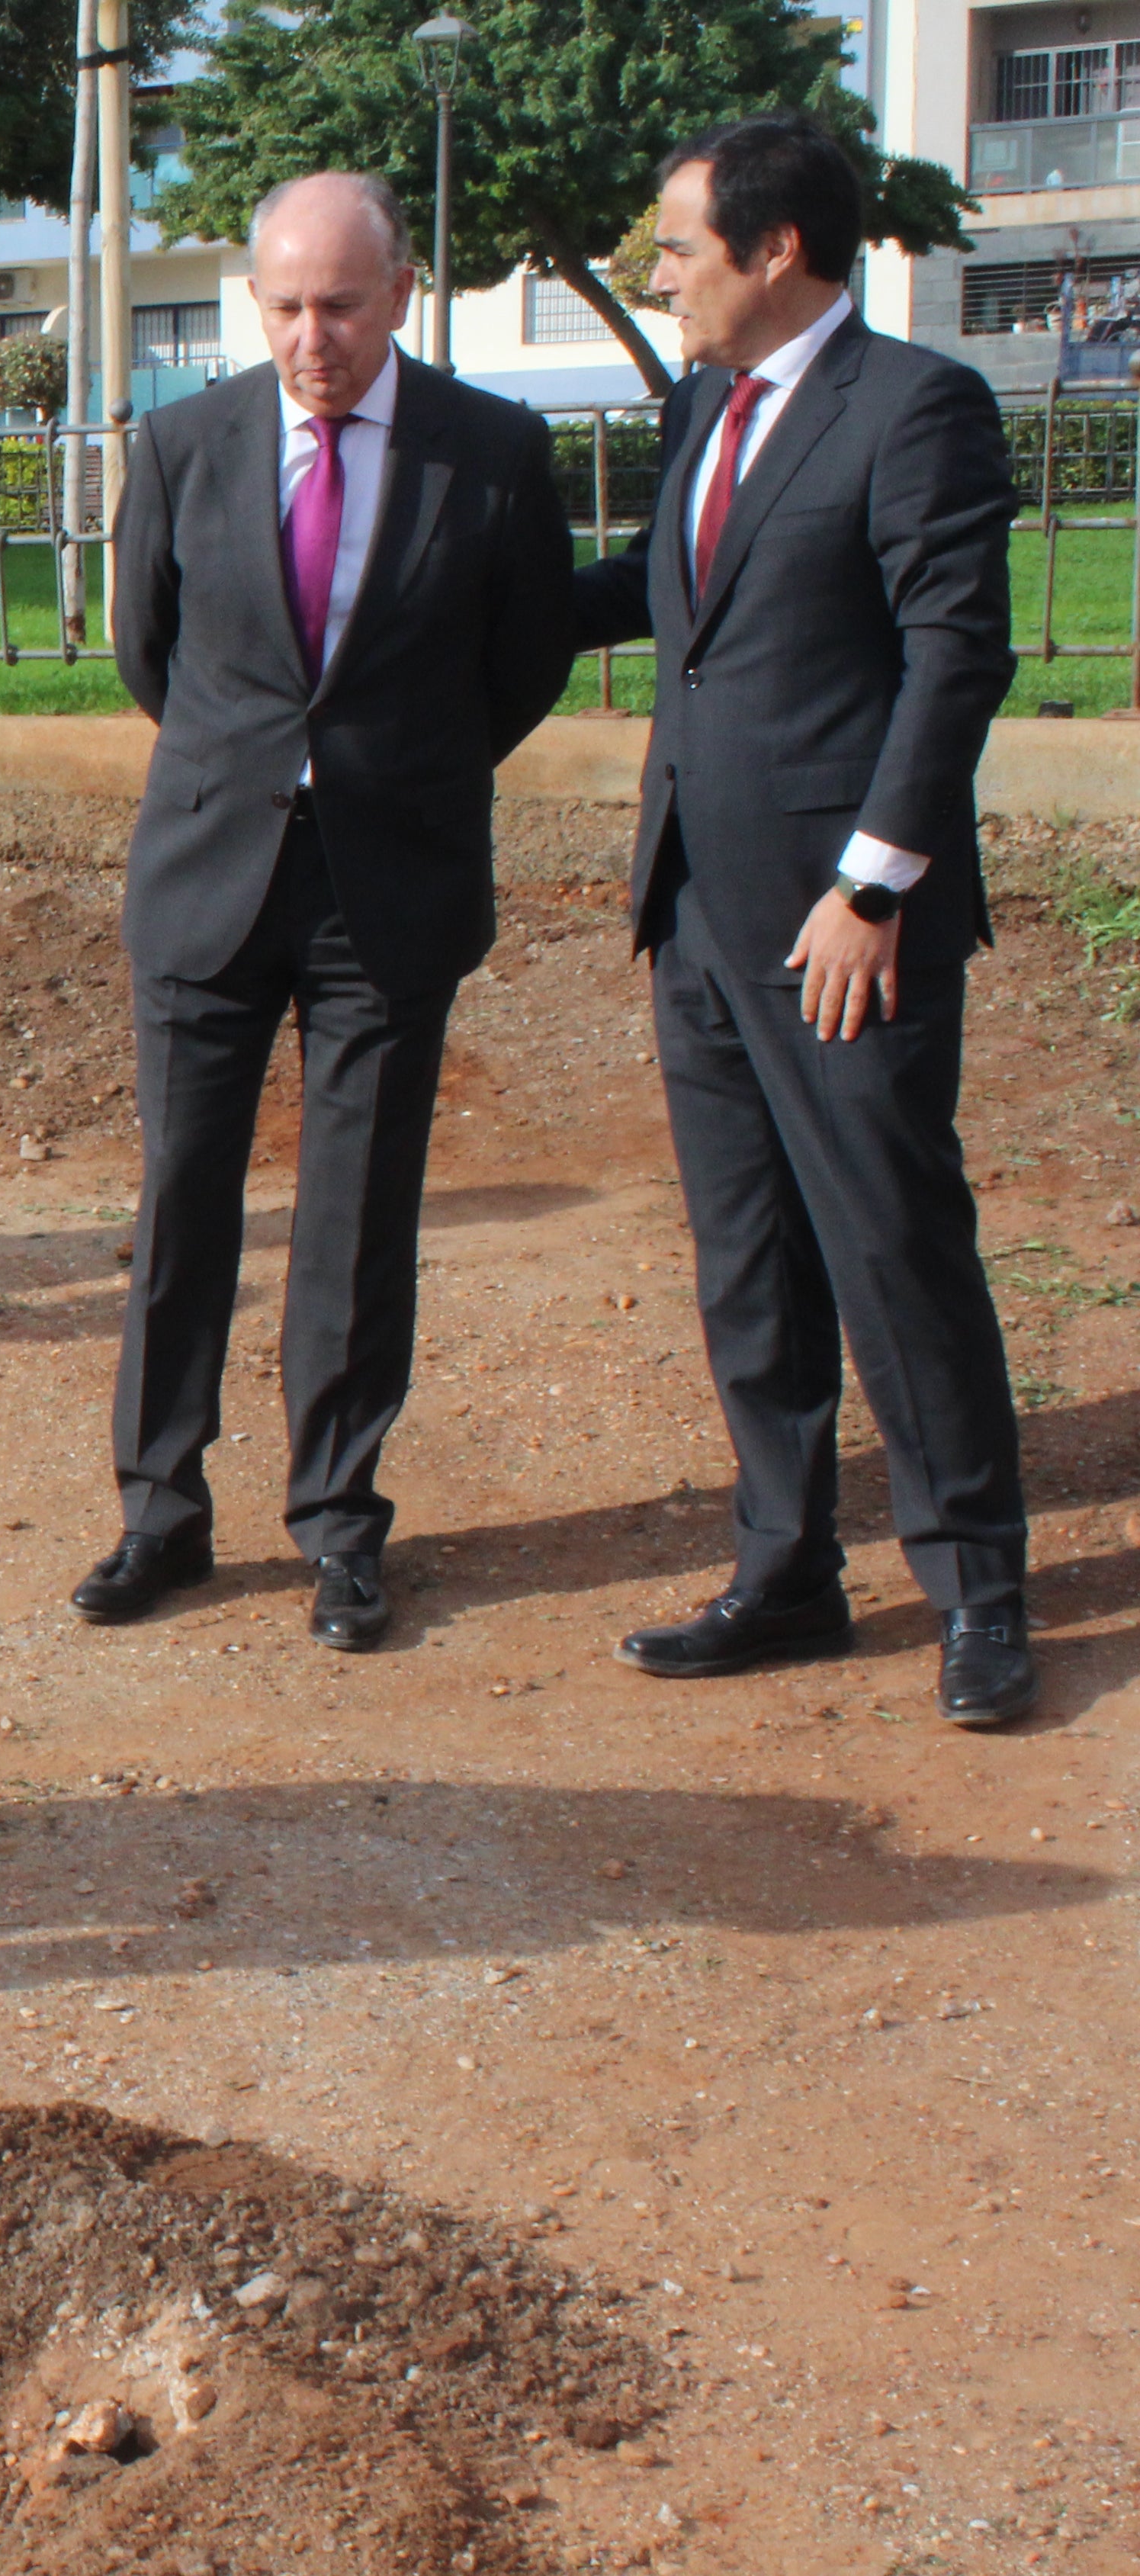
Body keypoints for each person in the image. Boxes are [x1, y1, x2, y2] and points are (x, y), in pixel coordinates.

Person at [571, 116, 1036, 1728]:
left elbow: (955, 656)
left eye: (679, 245)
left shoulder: (917, 409)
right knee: (750, 1261)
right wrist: (442, 599)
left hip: (847, 928)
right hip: (697, 903)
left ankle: (977, 1587)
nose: (658, 273)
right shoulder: (708, 398)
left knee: (893, 1246)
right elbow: (668, 597)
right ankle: (788, 1570)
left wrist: (873, 883)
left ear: (778, 253)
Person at [73, 172, 574, 1649]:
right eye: (287, 307)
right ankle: (159, 1512)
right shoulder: (182, 443)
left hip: (391, 885)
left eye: (342, 305)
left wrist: (389, 768)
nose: (315, 338)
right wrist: (262, 770)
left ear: (403, 293)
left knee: (358, 1221)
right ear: (256, 304)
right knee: (183, 1206)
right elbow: (150, 653)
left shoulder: (493, 452)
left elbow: (524, 660)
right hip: (210, 877)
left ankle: (340, 1525)